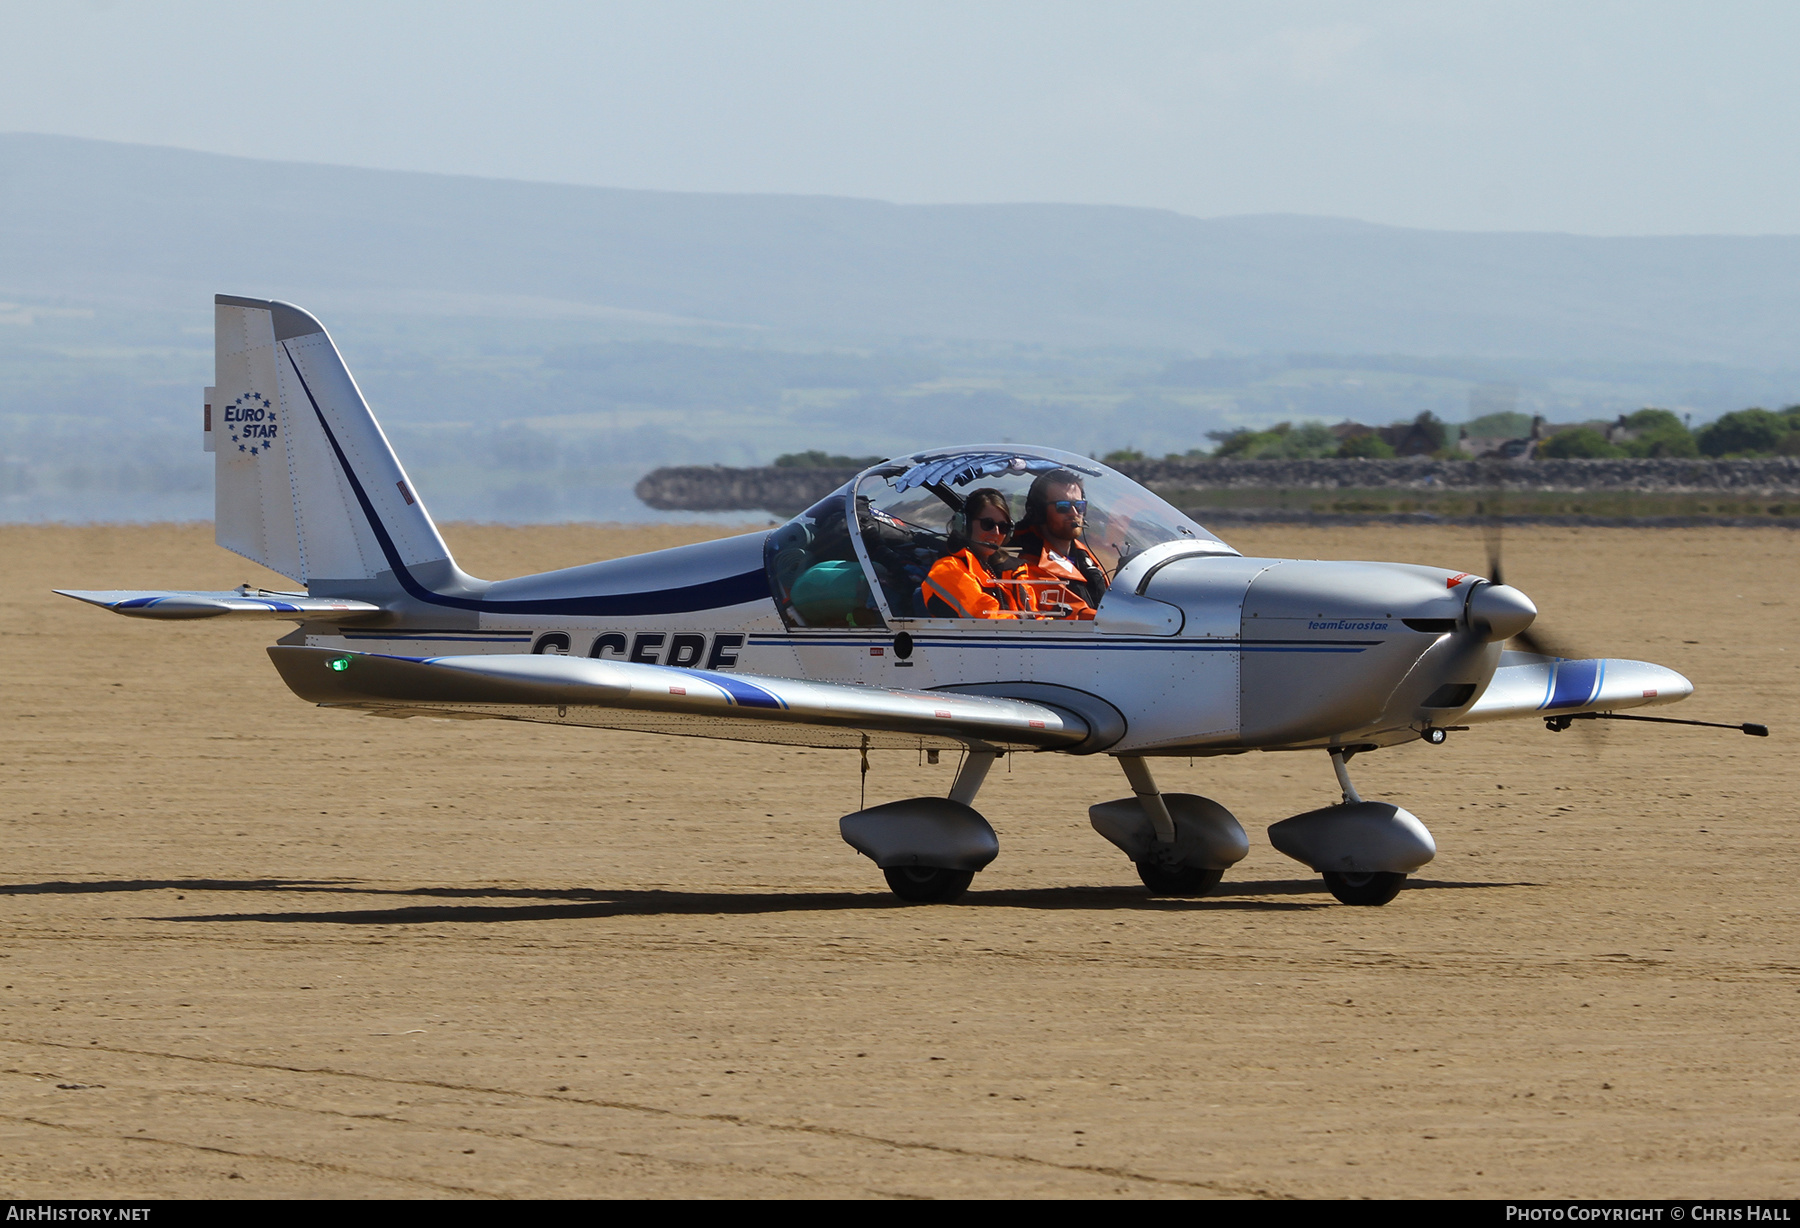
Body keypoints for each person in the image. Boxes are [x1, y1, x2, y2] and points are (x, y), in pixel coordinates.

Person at [1010, 469, 1107, 617]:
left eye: (1079, 505)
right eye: (1063, 506)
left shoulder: (1086, 558)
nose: (1074, 512)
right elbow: (1074, 615)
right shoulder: (1029, 568)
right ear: (1039, 512)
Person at [922, 488, 1029, 619]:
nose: (996, 533)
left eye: (1003, 527)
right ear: (964, 525)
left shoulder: (1007, 571)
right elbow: (987, 619)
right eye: (987, 524)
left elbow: (1033, 616)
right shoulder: (947, 569)